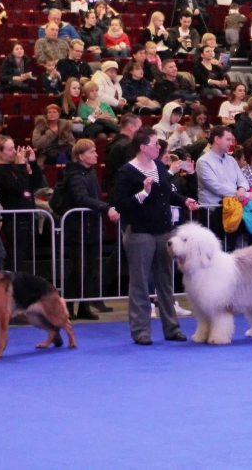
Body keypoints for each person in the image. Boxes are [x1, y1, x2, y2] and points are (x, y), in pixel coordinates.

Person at [113, 127, 194, 345]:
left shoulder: (158, 166)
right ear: (142, 147)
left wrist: (184, 200)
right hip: (140, 232)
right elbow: (120, 204)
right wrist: (143, 194)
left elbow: (167, 193)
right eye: (155, 144)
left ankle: (172, 328)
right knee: (140, 283)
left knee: (165, 281)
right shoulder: (127, 172)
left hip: (164, 230)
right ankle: (141, 331)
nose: (159, 147)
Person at [61, 139, 120, 320]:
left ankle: (84, 306)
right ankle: (68, 306)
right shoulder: (75, 176)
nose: (96, 154)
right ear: (81, 156)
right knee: (77, 269)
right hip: (78, 229)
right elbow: (82, 198)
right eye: (92, 152)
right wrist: (105, 208)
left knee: (91, 270)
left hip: (92, 227)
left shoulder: (90, 173)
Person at [0, 136, 46, 274]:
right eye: (10, 150)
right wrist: (21, 166)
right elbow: (17, 188)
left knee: (24, 257)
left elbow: (37, 182)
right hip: (14, 220)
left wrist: (32, 163)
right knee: (16, 258)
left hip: (28, 216)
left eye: (14, 148)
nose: (14, 152)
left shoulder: (15, 167)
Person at [196, 125, 250, 251]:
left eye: (231, 140)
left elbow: (242, 179)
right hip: (212, 212)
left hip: (232, 209)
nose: (231, 143)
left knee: (230, 249)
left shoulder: (231, 160)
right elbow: (215, 187)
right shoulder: (203, 162)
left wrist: (242, 189)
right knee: (213, 250)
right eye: (228, 139)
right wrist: (244, 194)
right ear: (217, 139)